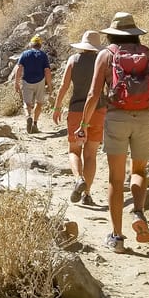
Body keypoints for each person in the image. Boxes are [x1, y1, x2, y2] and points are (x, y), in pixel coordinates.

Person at [78, 12, 149, 253]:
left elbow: (93, 95)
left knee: (115, 178)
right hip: (146, 117)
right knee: (139, 171)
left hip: (116, 117)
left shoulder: (106, 55)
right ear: (134, 34)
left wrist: (84, 124)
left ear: (111, 34)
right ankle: (138, 212)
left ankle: (117, 237)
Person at [52, 30, 107, 207]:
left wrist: (57, 106)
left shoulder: (73, 60)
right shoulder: (104, 61)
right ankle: (87, 194)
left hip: (76, 110)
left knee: (74, 150)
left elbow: (64, 86)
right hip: (98, 110)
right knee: (91, 154)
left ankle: (78, 179)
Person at [13, 35, 53, 134]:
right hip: (40, 81)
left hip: (27, 81)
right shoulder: (43, 55)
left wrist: (16, 83)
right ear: (40, 45)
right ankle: (34, 124)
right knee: (39, 103)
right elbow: (47, 70)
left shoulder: (25, 54)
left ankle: (28, 116)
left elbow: (19, 68)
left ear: (31, 44)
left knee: (27, 104)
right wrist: (50, 85)